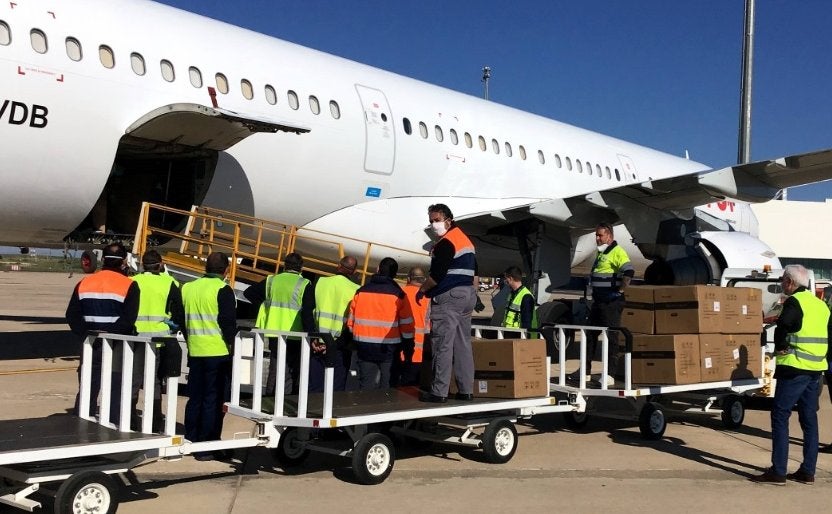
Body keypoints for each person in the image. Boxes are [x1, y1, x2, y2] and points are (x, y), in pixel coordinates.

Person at [751, 264, 830, 485]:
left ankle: (778, 471)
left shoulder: (794, 302)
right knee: (809, 419)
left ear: (790, 282)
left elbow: (784, 324)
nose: (782, 284)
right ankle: (808, 471)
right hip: (816, 369)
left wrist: (781, 345)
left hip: (795, 368)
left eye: (783, 280)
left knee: (780, 414)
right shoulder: (821, 305)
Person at [66, 242, 139, 423]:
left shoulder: (84, 282)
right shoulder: (129, 285)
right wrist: (108, 333)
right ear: (123, 262)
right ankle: (113, 426)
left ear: (103, 260)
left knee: (88, 387)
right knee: (115, 388)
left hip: (90, 344)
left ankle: (80, 423)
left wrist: (88, 333)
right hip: (116, 345)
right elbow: (128, 320)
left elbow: (72, 315)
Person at [418, 204, 477, 403]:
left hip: (449, 296)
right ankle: (466, 390)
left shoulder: (446, 243)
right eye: (431, 221)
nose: (433, 224)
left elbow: (436, 276)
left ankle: (439, 392)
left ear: (448, 220)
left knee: (442, 344)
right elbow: (475, 273)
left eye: (436, 220)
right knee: (463, 344)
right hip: (467, 294)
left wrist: (423, 289)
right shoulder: (465, 240)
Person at [181, 252, 236, 461]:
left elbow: (182, 319)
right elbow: (228, 323)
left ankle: (191, 439)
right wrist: (233, 345)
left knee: (195, 398)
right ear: (225, 271)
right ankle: (206, 445)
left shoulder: (188, 288)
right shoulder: (223, 289)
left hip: (195, 350)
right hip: (217, 352)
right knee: (213, 400)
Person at [244, 252, 315, 395]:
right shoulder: (305, 284)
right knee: (291, 369)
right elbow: (307, 313)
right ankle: (285, 402)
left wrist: (264, 306)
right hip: (295, 333)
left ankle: (269, 399)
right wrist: (312, 335)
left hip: (274, 331)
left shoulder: (272, 280)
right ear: (301, 267)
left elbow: (249, 293)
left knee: (275, 367)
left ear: (284, 265)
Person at [132, 250, 185, 431]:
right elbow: (179, 312)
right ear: (160, 264)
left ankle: (130, 416)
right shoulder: (170, 282)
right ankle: (155, 419)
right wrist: (173, 326)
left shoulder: (134, 281)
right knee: (154, 379)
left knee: (134, 378)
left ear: (143, 264)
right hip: (160, 337)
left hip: (136, 337)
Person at [347, 257, 414, 390]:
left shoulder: (361, 292)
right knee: (388, 386)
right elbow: (407, 327)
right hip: (389, 349)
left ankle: (367, 409)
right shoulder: (399, 295)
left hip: (364, 348)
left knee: (366, 385)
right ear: (394, 275)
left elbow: (350, 322)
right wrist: (408, 352)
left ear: (378, 270)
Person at [583, 222, 634, 384]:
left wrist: (619, 291)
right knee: (590, 335)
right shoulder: (601, 253)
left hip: (611, 302)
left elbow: (629, 271)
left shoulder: (617, 252)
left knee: (611, 337)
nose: (597, 238)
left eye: (600, 235)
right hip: (599, 302)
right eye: (596, 235)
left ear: (609, 236)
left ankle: (610, 374)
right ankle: (585, 371)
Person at [312, 256, 360, 391]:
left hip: (318, 342)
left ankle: (311, 410)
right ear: (354, 271)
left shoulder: (321, 282)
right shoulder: (356, 289)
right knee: (336, 387)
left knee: (315, 385)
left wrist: (314, 338)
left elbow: (310, 311)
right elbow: (354, 321)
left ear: (338, 266)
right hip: (340, 344)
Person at [396, 266, 430, 386]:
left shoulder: (401, 293)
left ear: (409, 279)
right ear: (424, 279)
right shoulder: (428, 296)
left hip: (404, 352)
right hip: (424, 352)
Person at [501, 266, 538, 337]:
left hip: (519, 336)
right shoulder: (512, 294)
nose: (506, 281)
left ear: (511, 279)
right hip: (510, 334)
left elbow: (526, 322)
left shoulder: (526, 296)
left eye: (506, 279)